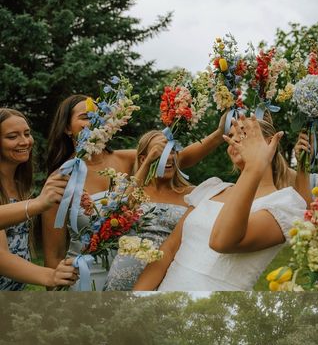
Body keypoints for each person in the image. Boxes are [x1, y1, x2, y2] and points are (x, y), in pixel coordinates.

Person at [42, 95, 226, 289]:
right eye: (86, 116)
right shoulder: (60, 179)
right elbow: (53, 256)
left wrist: (219, 133)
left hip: (136, 274)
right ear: (67, 128)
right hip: (86, 279)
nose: (96, 121)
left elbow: (177, 160)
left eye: (101, 116)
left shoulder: (125, 159)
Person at [133, 116, 307, 291]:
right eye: (231, 136)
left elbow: (221, 242)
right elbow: (169, 250)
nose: (235, 140)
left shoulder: (285, 205)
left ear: (270, 143)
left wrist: (254, 166)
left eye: (244, 133)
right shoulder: (212, 189)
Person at [104, 130, 193, 290]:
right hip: (123, 276)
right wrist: (147, 164)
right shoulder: (133, 191)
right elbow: (116, 213)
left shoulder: (191, 194)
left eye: (172, 151)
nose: (169, 157)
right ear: (143, 158)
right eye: (160, 152)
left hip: (170, 278)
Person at [0, 107, 77, 289]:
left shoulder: (19, 184)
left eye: (27, 134)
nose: (25, 141)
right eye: (12, 137)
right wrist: (51, 276)